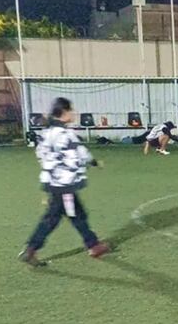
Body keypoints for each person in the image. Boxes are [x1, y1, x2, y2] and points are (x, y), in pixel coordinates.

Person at [19, 97, 110, 266]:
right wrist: (94, 163)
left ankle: (93, 244)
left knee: (74, 213)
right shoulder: (66, 134)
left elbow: (41, 155)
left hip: (53, 182)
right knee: (59, 217)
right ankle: (32, 248)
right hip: (65, 184)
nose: (74, 113)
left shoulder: (46, 133)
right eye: (72, 110)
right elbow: (81, 154)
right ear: (64, 112)